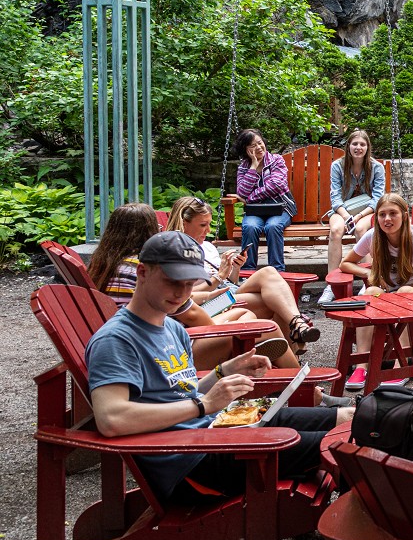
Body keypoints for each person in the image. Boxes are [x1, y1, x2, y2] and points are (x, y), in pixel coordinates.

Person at [84, 231, 351, 501]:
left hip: (219, 431)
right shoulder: (116, 340)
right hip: (195, 463)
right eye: (171, 281)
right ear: (142, 272)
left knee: (349, 420)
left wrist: (224, 372)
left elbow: (179, 393)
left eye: (189, 283)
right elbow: (111, 419)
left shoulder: (173, 329)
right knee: (345, 445)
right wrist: (203, 405)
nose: (181, 292)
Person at [89, 203, 290, 371]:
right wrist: (226, 330)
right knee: (260, 325)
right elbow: (192, 316)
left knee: (246, 316)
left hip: (152, 341)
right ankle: (300, 382)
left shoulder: (105, 263)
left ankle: (276, 365)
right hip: (166, 355)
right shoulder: (145, 269)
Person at [167, 196, 321, 349]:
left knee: (269, 272)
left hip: (228, 293)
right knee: (276, 302)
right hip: (208, 304)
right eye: (203, 225)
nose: (208, 230)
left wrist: (234, 269)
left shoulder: (207, 246)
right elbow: (183, 297)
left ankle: (294, 332)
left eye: (208, 224)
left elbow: (229, 283)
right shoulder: (175, 250)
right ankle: (295, 339)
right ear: (184, 222)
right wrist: (218, 277)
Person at [338, 193, 413, 387]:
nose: (387, 219)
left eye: (393, 213)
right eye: (382, 214)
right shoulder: (373, 236)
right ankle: (361, 366)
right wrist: (368, 274)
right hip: (386, 292)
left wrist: (398, 294)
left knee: (404, 293)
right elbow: (345, 264)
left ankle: (401, 365)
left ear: (404, 215)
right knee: (368, 294)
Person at [320, 129, 387, 306]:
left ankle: (368, 282)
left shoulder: (376, 168)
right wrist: (347, 215)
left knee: (360, 229)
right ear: (348, 146)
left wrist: (358, 216)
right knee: (335, 230)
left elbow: (378, 198)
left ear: (367, 147)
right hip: (343, 210)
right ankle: (332, 284)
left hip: (367, 211)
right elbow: (335, 197)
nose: (358, 147)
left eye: (362, 144)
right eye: (355, 144)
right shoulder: (337, 166)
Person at [234, 128, 293, 272]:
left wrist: (250, 198)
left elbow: (276, 185)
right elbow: (241, 191)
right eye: (253, 146)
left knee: (272, 227)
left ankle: (277, 271)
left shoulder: (276, 160)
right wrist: (253, 167)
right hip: (256, 211)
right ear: (246, 150)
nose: (259, 148)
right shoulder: (244, 167)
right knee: (250, 227)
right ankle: (247, 272)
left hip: (280, 208)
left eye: (260, 143)